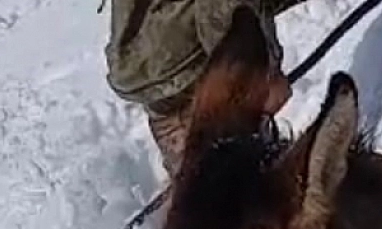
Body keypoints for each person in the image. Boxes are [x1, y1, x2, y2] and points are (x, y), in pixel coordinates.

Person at [103, 0, 307, 175]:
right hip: (199, 76)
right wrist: (261, 76)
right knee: (237, 196)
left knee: (210, 194)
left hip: (162, 67)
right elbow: (221, 8)